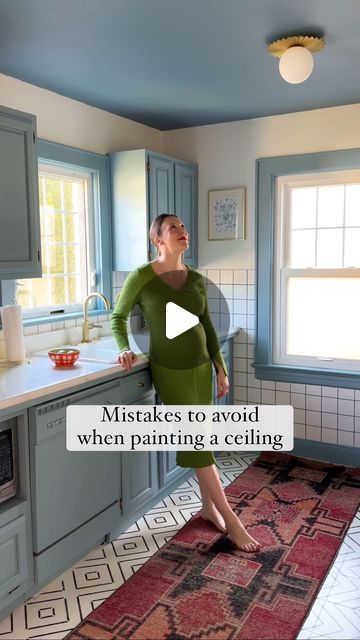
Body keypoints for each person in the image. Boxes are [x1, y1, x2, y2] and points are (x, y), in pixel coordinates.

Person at [111, 213, 260, 552]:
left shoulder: (194, 278)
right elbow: (118, 317)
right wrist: (124, 349)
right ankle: (233, 522)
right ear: (158, 239)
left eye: (183, 226)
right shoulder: (141, 277)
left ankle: (208, 508)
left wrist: (220, 367)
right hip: (171, 371)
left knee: (200, 439)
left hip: (201, 368)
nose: (182, 231)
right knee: (198, 445)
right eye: (174, 228)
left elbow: (206, 324)